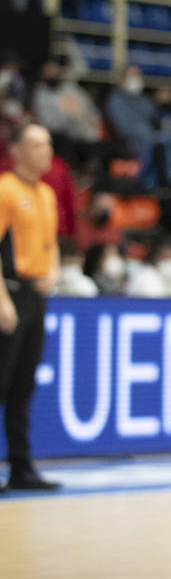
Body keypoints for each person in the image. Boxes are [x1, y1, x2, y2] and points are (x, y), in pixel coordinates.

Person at [0, 124, 61, 490]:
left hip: (35, 297)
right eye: (36, 144)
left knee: (23, 386)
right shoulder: (5, 190)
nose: (45, 151)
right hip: (8, 294)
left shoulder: (48, 195)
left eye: (48, 143)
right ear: (18, 151)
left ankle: (22, 467)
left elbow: (49, 244)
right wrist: (2, 300)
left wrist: (51, 272)